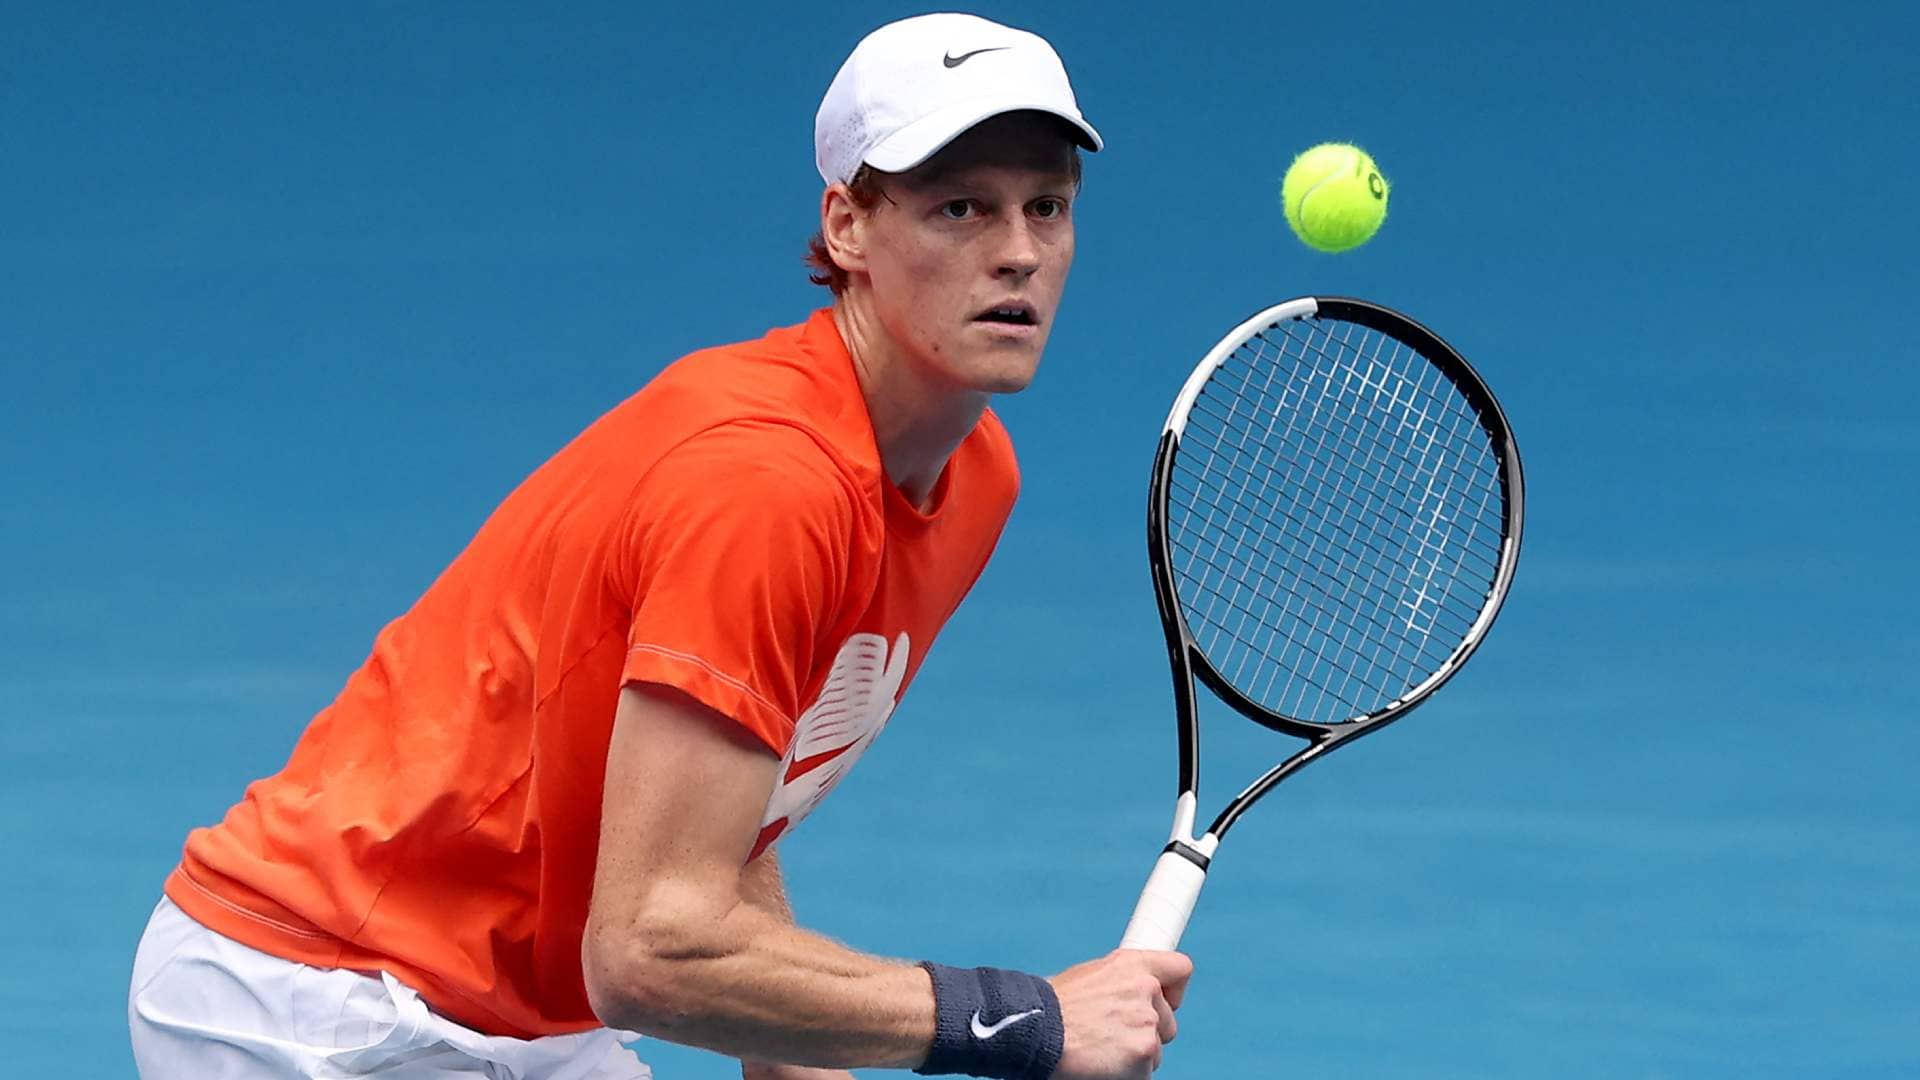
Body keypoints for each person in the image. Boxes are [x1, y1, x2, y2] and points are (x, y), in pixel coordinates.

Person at [128, 13, 1191, 1080]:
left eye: (1047, 207)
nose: (1018, 252)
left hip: (523, 1011)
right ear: (848, 227)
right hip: (321, 994)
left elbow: (721, 811)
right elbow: (649, 952)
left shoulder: (971, 476)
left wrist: (797, 1061)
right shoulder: (767, 486)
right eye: (960, 207)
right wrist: (1027, 1021)